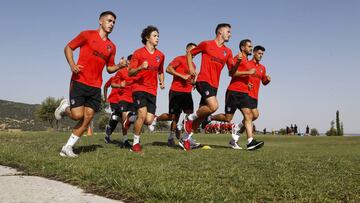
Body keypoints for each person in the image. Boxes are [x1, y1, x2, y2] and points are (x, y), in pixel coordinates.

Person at [55, 11, 127, 157]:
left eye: (114, 22)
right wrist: (72, 64)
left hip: (95, 86)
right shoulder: (87, 35)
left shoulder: (112, 47)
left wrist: (120, 65)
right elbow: (68, 47)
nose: (112, 24)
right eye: (109, 21)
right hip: (79, 81)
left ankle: (68, 147)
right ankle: (64, 107)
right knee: (77, 115)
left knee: (87, 117)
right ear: (100, 21)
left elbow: (109, 68)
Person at [181, 23, 241, 151]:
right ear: (220, 32)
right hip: (203, 80)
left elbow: (232, 72)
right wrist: (191, 68)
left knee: (202, 115)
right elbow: (190, 54)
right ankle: (189, 118)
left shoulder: (228, 52)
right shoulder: (206, 44)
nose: (230, 34)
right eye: (228, 31)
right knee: (214, 106)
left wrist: (238, 63)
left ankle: (185, 138)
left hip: (214, 85)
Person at [201, 39, 263, 150]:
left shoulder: (248, 62)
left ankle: (250, 142)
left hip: (244, 93)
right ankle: (209, 117)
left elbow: (246, 77)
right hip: (233, 92)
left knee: (248, 115)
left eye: (251, 46)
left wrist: (248, 83)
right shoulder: (237, 58)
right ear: (242, 47)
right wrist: (248, 73)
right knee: (228, 118)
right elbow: (233, 73)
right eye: (249, 46)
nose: (251, 48)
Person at [148, 43, 198, 147]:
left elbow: (191, 80)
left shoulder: (193, 65)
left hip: (187, 93)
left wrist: (194, 83)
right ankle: (157, 120)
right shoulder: (179, 59)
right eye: (193, 50)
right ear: (187, 50)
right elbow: (168, 69)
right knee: (174, 116)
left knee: (190, 116)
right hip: (176, 91)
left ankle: (187, 137)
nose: (194, 53)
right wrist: (182, 76)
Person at [128, 25, 165, 152]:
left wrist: (161, 82)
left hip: (152, 90)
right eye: (155, 36)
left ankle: (131, 118)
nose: (157, 38)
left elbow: (160, 71)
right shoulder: (138, 53)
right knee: (142, 115)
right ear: (147, 37)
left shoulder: (161, 55)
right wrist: (140, 68)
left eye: (158, 36)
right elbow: (130, 72)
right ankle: (135, 144)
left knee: (149, 120)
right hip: (139, 88)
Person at [104, 55, 136, 148]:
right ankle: (109, 134)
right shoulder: (118, 74)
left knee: (125, 119)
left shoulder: (135, 73)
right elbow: (107, 86)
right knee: (115, 118)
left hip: (128, 99)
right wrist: (106, 98)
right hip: (115, 99)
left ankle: (126, 136)